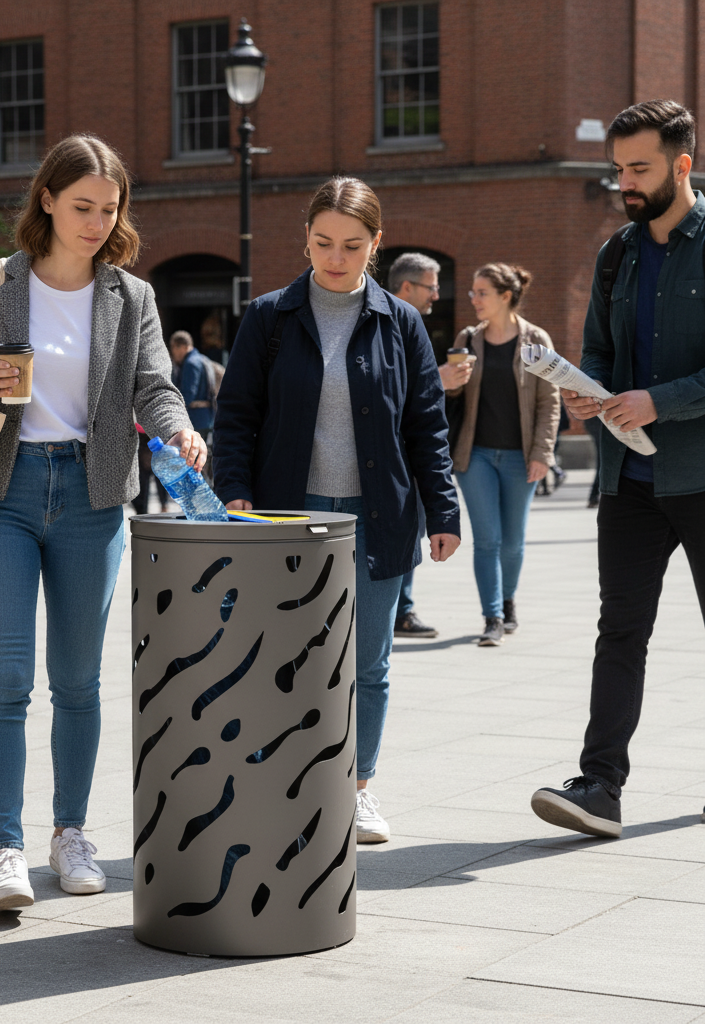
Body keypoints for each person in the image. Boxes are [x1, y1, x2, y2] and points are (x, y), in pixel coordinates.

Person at [0, 135, 204, 911]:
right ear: (46, 200)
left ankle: (70, 833)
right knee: (5, 681)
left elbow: (154, 387)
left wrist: (181, 429)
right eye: (82, 206)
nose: (96, 223)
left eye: (109, 210)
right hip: (4, 494)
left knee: (78, 683)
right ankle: (5, 850)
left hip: (92, 495)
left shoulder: (130, 295)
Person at [213, 177, 461, 845]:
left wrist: (443, 510)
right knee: (282, 658)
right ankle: (284, 785)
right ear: (306, 238)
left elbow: (426, 425)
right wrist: (233, 488)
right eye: (323, 242)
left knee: (368, 664)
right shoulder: (269, 317)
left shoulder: (401, 322)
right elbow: (235, 417)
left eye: (352, 245)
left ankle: (358, 788)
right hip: (287, 516)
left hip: (377, 514)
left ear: (376, 244)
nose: (335, 257)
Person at [531, 100, 705, 838]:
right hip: (629, 480)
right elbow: (598, 350)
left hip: (703, 475)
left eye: (639, 168)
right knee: (620, 632)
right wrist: (587, 391)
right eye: (618, 169)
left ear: (682, 165)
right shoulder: (616, 253)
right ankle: (600, 786)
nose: (624, 183)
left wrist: (658, 401)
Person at [447, 264, 560, 647]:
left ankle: (508, 600)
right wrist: (451, 382)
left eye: (482, 293)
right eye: (472, 292)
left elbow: (549, 401)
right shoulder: (468, 338)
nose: (474, 299)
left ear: (505, 296)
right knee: (487, 540)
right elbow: (452, 396)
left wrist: (542, 453)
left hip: (520, 456)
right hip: (474, 455)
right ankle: (492, 617)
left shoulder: (536, 339)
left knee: (513, 542)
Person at [387, 252, 474, 639]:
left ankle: (400, 609)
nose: (437, 295)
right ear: (407, 287)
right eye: (431, 287)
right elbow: (387, 394)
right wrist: (438, 380)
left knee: (409, 532)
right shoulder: (386, 323)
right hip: (391, 457)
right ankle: (399, 611)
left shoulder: (410, 325)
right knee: (401, 534)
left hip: (412, 455)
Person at [168, 329, 214, 438]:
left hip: (195, 419)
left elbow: (187, 394)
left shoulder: (190, 363)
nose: (172, 352)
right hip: (206, 418)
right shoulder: (203, 359)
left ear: (183, 347)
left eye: (173, 347)